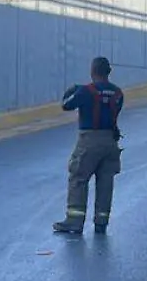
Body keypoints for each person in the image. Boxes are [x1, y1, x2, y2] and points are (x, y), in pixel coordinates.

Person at [53, 56, 125, 237]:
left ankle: (74, 221)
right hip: (110, 141)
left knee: (78, 178)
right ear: (108, 72)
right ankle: (101, 222)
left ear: (92, 71)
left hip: (89, 140)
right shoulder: (117, 93)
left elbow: (66, 105)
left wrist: (71, 90)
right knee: (106, 182)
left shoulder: (86, 91)